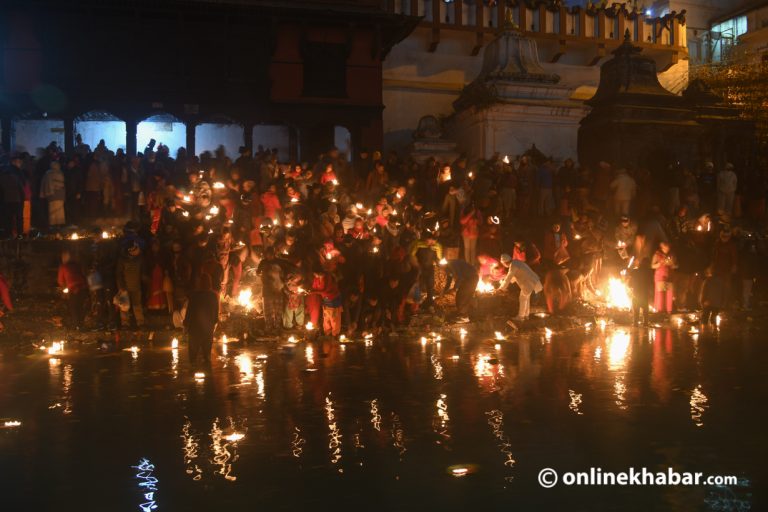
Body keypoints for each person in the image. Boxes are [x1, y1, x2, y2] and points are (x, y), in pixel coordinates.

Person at [185, 273, 219, 367]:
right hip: (208, 328)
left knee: (193, 356)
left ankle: (192, 374)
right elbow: (216, 313)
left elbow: (189, 312)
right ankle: (208, 378)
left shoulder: (194, 296)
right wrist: (214, 323)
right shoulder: (213, 296)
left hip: (195, 328)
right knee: (207, 356)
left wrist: (186, 324)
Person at [498, 254, 542, 320]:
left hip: (529, 282)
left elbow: (509, 277)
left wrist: (501, 288)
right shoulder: (517, 262)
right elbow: (514, 277)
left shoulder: (513, 265)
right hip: (532, 281)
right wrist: (503, 283)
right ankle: (526, 315)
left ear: (505, 262)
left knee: (523, 298)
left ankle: (521, 316)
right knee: (526, 298)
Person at [116, 242, 145, 329]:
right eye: (136, 249)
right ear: (131, 251)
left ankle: (140, 322)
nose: (138, 251)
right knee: (124, 306)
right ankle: (125, 323)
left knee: (137, 305)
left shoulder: (140, 259)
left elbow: (142, 271)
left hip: (136, 285)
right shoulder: (123, 260)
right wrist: (121, 286)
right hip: (125, 286)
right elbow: (119, 274)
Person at [57, 250, 87, 330]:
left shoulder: (63, 267)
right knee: (80, 306)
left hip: (74, 289)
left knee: (74, 307)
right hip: (82, 288)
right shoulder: (76, 265)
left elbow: (60, 280)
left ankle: (76, 325)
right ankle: (80, 324)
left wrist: (64, 288)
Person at [441, 258, 478, 323]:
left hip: (471, 278)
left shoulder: (452, 264)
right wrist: (444, 290)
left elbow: (460, 277)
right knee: (459, 295)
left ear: (445, 264)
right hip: (467, 279)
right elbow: (449, 280)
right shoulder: (447, 268)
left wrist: (455, 288)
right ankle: (461, 313)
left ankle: (464, 317)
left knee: (462, 296)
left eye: (442, 267)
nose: (442, 269)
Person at [651, 242, 677, 314]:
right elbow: (652, 266)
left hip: (670, 277)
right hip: (660, 277)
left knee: (669, 295)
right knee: (660, 295)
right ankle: (660, 311)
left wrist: (672, 264)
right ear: (662, 247)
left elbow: (676, 266)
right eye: (665, 247)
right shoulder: (657, 255)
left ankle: (669, 311)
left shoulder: (672, 255)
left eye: (668, 247)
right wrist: (660, 264)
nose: (667, 249)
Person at [40, 161, 66, 228]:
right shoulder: (60, 173)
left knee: (53, 211)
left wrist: (44, 194)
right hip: (60, 195)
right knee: (59, 211)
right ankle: (59, 225)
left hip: (52, 195)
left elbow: (46, 185)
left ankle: (53, 225)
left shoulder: (48, 173)